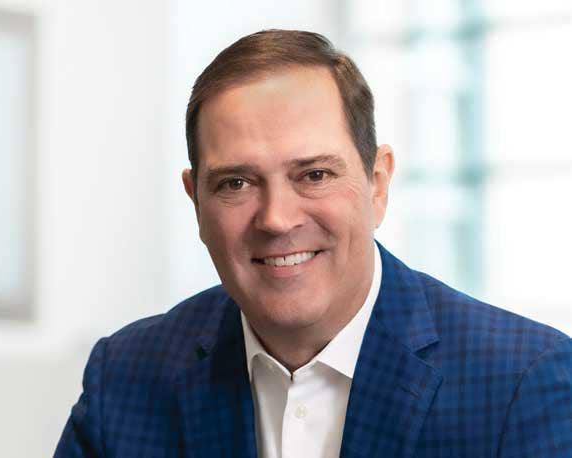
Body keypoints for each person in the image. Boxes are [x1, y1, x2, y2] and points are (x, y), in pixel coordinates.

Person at [55, 29, 572, 458]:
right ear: (196, 202)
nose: (277, 219)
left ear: (377, 183)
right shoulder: (125, 378)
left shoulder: (520, 382)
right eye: (236, 183)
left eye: (314, 174)